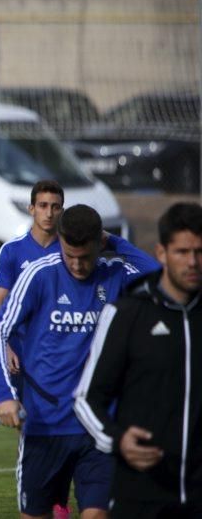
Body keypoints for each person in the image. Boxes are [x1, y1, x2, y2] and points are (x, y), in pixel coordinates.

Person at [0, 204, 160, 519]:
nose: (77, 265)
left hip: (97, 425)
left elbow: (158, 274)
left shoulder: (116, 274)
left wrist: (115, 242)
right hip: (43, 424)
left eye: (85, 256)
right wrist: (6, 396)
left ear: (98, 243)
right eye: (70, 255)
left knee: (97, 514)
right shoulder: (39, 274)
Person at [74, 202, 202, 518]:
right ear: (161, 253)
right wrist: (119, 441)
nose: (193, 262)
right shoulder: (127, 313)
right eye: (182, 252)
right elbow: (87, 400)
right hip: (140, 496)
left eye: (200, 252)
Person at [0, 180, 70, 519]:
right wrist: (5, 345)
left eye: (55, 206)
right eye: (43, 205)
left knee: (63, 433)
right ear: (31, 208)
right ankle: (42, 501)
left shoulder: (70, 252)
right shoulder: (12, 251)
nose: (48, 212)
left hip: (61, 361)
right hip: (23, 359)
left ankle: (57, 503)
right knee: (32, 431)